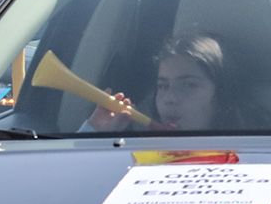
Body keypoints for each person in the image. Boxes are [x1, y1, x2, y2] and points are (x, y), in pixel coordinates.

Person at [85, 33, 255, 133]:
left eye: (189, 85)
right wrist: (95, 132)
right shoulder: (136, 153)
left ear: (222, 94)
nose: (169, 98)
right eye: (163, 86)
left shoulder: (254, 158)